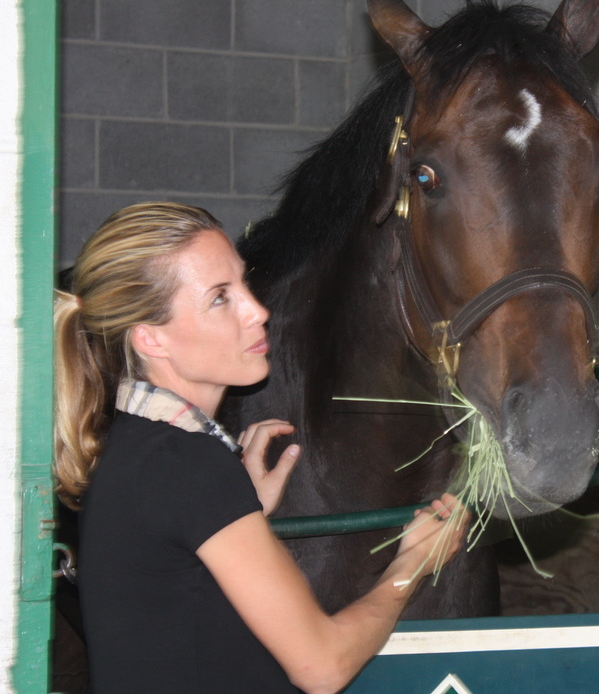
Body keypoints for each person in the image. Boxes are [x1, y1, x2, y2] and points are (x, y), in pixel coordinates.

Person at [53, 201, 468, 694]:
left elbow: (181, 628)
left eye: (243, 285)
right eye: (219, 299)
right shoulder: (189, 467)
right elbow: (324, 666)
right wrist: (413, 563)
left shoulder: (134, 446)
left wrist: (243, 510)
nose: (258, 311)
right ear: (150, 339)